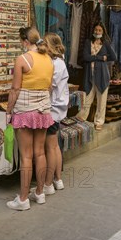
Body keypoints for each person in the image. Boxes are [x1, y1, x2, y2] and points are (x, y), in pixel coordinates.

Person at [5, 27, 54, 210]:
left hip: (25, 109)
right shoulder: (48, 59)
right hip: (43, 109)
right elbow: (49, 87)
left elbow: (15, 89)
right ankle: (39, 193)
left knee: (26, 155)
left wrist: (9, 111)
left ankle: (23, 199)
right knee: (39, 152)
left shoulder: (22, 59)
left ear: (25, 41)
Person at [76, 22, 117, 131]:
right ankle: (81, 118)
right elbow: (85, 57)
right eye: (96, 30)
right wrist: (100, 57)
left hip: (102, 76)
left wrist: (96, 57)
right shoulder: (88, 42)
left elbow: (113, 56)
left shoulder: (106, 43)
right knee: (87, 98)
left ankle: (99, 122)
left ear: (103, 32)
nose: (97, 32)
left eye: (99, 30)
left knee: (101, 101)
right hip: (89, 75)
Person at [41, 32, 68, 195]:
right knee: (54, 146)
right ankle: (58, 180)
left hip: (52, 108)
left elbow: (49, 84)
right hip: (57, 108)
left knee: (50, 147)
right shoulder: (58, 61)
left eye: (44, 43)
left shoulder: (56, 63)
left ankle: (48, 183)